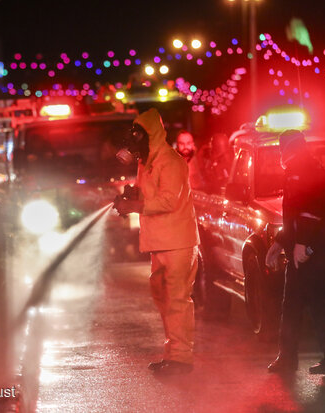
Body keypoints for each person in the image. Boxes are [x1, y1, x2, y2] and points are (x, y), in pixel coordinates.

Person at [114, 108, 200, 375]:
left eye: (139, 135)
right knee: (164, 299)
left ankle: (182, 358)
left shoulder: (171, 162)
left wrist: (135, 205)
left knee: (176, 300)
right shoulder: (147, 162)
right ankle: (172, 355)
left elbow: (168, 200)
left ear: (151, 135)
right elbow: (148, 193)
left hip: (177, 243)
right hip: (159, 242)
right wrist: (131, 194)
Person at [265, 129, 325, 375]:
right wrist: (280, 243)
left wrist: (301, 244)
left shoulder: (303, 170)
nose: (279, 152)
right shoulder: (301, 168)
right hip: (309, 248)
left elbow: (309, 213)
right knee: (295, 304)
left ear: (289, 148)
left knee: (315, 303)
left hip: (314, 250)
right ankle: (291, 358)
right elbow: (294, 215)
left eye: (281, 147)